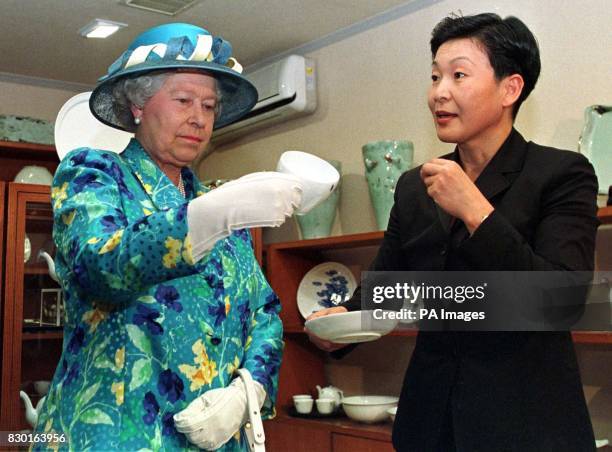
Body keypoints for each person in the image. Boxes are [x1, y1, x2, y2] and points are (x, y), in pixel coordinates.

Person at [306, 13, 599, 451]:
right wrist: (342, 325)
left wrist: (476, 210)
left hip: (527, 425)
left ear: (510, 88)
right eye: (435, 76)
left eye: (458, 75)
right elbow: (387, 290)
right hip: (430, 424)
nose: (438, 93)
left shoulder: (562, 173)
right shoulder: (414, 186)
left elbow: (562, 301)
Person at [34, 23, 303, 451]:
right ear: (138, 105)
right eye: (183, 100)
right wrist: (207, 218)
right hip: (115, 436)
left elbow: (264, 311)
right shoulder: (94, 174)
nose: (199, 118)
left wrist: (247, 391)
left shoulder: (214, 202)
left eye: (210, 105)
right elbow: (99, 266)